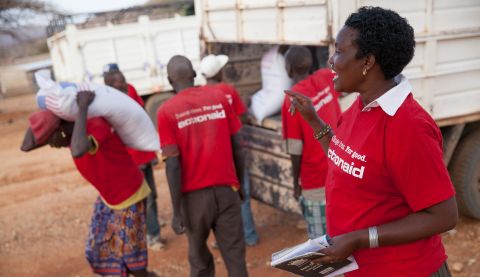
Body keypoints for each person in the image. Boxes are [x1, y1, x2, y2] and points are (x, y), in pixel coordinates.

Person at [285, 6, 457, 276]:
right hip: (359, 267)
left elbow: (444, 216)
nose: (331, 61)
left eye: (339, 51)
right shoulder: (360, 106)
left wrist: (359, 238)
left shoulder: (409, 128)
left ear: (367, 62)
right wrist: (314, 120)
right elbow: (344, 159)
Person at [21, 90, 154, 277]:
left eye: (50, 139)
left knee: (134, 264)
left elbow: (78, 150)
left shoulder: (94, 126)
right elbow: (26, 146)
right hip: (110, 198)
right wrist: (47, 109)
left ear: (61, 128)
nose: (50, 144)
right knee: (98, 252)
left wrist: (82, 107)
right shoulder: (69, 132)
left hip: (129, 195)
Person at [157, 55, 248, 277]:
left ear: (170, 81)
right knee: (235, 258)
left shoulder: (166, 111)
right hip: (227, 191)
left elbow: (173, 166)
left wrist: (177, 211)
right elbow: (238, 145)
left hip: (193, 201)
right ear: (195, 74)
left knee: (199, 263)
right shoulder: (218, 97)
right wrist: (240, 184)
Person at [281, 46, 341, 239]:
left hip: (315, 180)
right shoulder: (325, 77)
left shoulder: (293, 99)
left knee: (321, 246)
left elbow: (295, 148)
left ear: (288, 69)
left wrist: (295, 182)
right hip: (340, 169)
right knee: (342, 234)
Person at [103, 66, 165, 250]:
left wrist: (153, 150)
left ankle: (150, 223)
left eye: (122, 78)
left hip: (144, 154)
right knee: (144, 198)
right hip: (131, 160)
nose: (122, 82)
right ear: (109, 84)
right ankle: (152, 235)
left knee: (152, 194)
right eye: (117, 81)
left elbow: (142, 116)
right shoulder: (108, 101)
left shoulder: (130, 90)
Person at [200, 54, 259, 246]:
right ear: (219, 72)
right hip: (233, 150)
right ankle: (249, 235)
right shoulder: (228, 90)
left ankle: (223, 239)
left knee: (219, 200)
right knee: (243, 193)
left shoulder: (200, 94)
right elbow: (242, 118)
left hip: (212, 155)